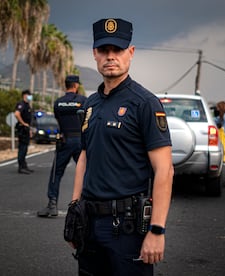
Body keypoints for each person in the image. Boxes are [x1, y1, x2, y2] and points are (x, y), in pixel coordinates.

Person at [68, 18, 174, 275]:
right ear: (95, 53)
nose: (110, 56)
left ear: (131, 52)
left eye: (118, 50)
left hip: (127, 228)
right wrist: (74, 210)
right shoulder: (90, 104)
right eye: (104, 50)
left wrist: (157, 231)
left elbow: (165, 170)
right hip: (89, 223)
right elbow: (84, 157)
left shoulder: (145, 104)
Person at [37, 75, 87, 217]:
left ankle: (52, 205)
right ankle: (86, 205)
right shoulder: (83, 101)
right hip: (80, 141)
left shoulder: (58, 103)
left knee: (56, 173)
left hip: (65, 141)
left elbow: (59, 121)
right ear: (76, 85)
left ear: (66, 85)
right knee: (86, 172)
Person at [14, 89, 33, 174]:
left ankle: (24, 166)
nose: (30, 97)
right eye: (29, 95)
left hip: (26, 129)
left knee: (25, 149)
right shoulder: (21, 104)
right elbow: (17, 114)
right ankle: (21, 167)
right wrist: (23, 123)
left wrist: (29, 129)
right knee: (22, 148)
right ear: (25, 95)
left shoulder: (27, 105)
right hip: (22, 129)